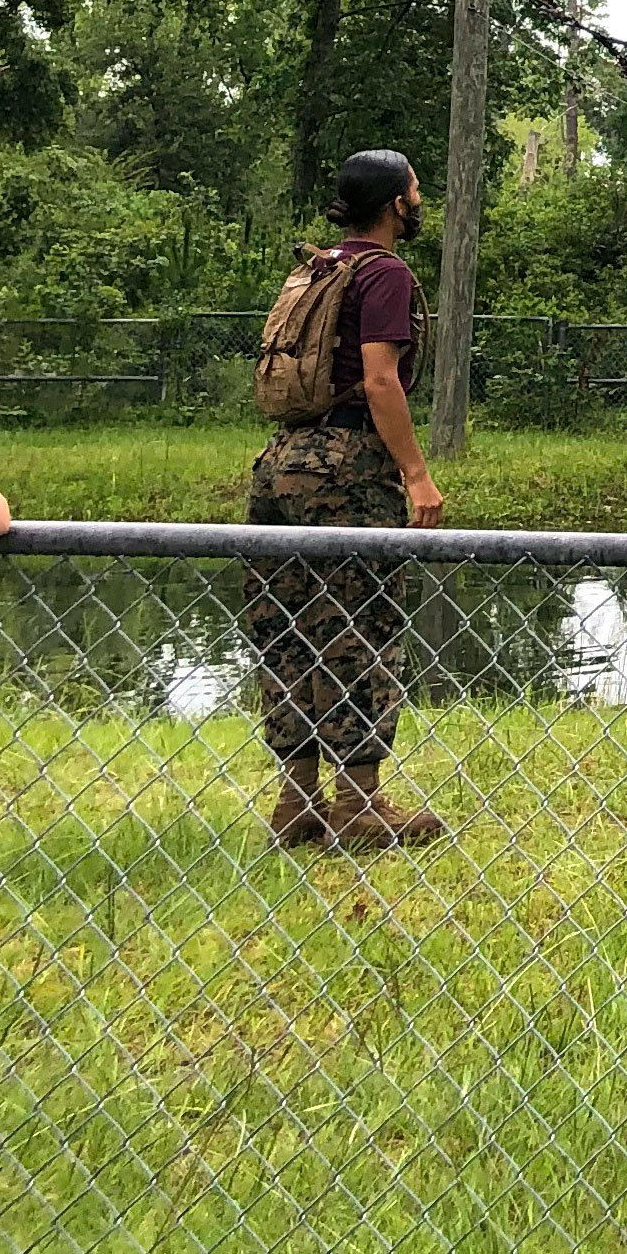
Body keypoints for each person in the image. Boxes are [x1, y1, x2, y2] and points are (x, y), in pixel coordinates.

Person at [245, 149, 449, 851]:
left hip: (281, 461)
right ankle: (359, 805)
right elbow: (380, 380)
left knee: (287, 627)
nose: (421, 199)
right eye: (416, 189)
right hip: (346, 468)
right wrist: (416, 473)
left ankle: (297, 805)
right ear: (397, 202)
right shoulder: (384, 272)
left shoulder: (319, 264)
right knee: (359, 625)